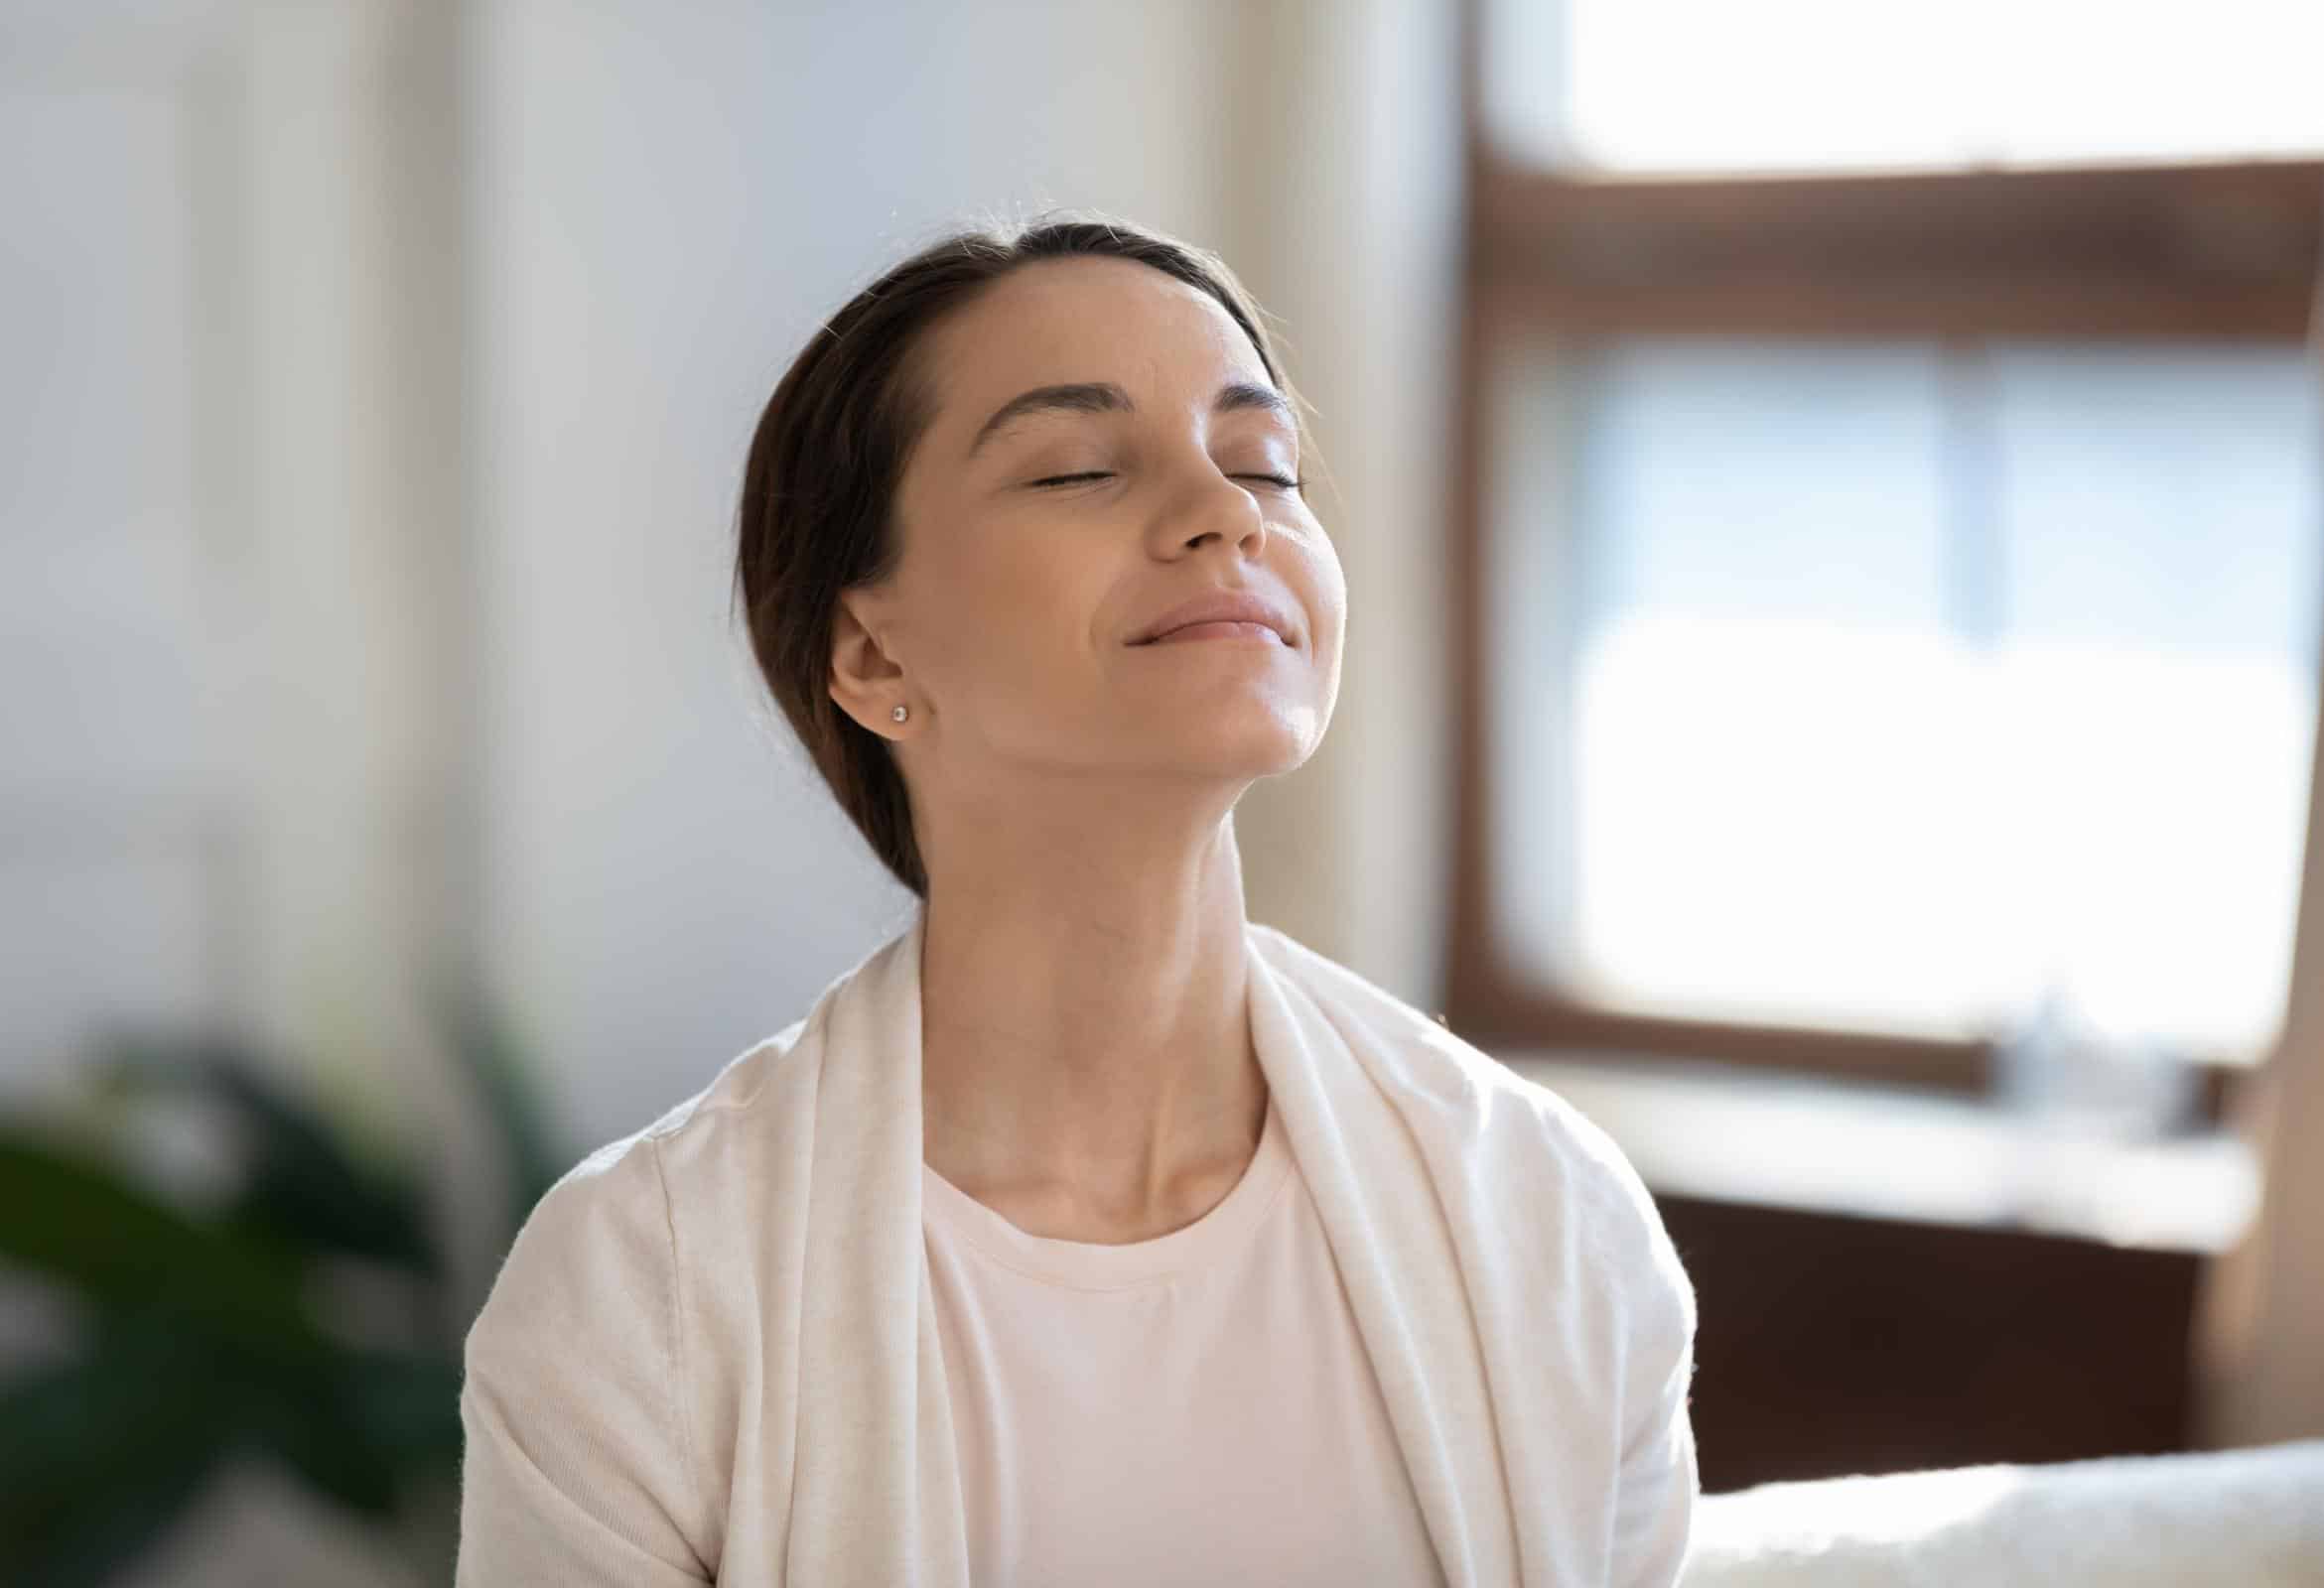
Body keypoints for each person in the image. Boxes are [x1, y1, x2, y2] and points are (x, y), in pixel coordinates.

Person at [455, 212, 1699, 1587]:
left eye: (1262, 463)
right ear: (870, 655)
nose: (1227, 512)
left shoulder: (1547, 1218)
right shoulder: (646, 1294)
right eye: (1082, 468)